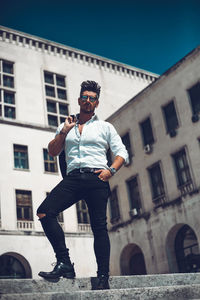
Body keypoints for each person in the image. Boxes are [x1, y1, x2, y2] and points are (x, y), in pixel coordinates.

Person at [37, 80, 128, 290]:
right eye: (85, 97)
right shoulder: (65, 125)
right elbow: (52, 151)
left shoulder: (105, 127)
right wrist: (64, 131)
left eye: (92, 98)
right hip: (73, 178)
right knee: (45, 212)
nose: (88, 101)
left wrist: (110, 170)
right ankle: (65, 263)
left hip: (97, 178)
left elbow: (122, 152)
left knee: (99, 227)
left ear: (96, 103)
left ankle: (103, 275)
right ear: (79, 100)